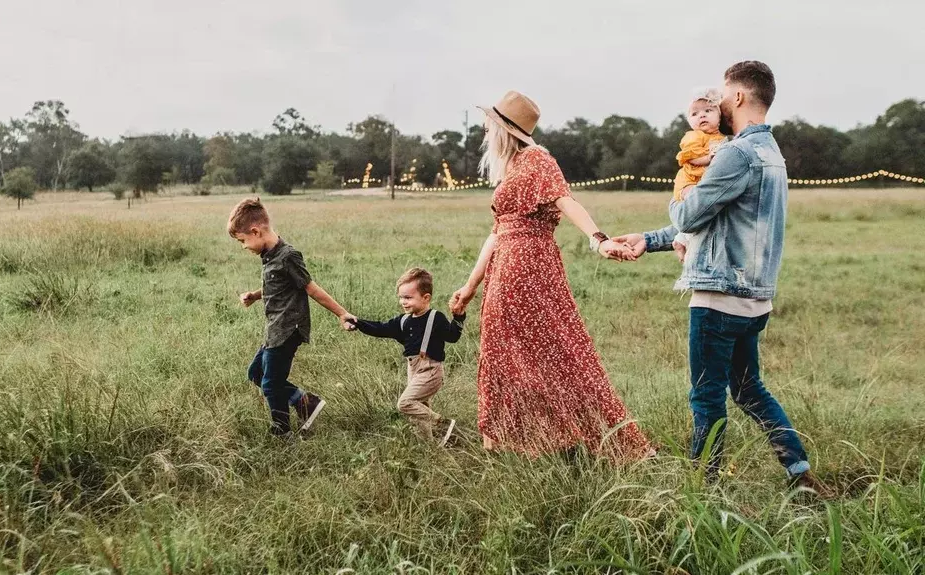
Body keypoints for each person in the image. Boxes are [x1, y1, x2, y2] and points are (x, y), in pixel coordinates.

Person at [613, 61, 828, 493]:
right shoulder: (772, 154)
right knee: (750, 391)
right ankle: (799, 472)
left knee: (706, 396)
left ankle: (703, 488)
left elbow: (690, 213)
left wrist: (681, 195)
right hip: (755, 300)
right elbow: (717, 221)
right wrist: (650, 239)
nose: (717, 104)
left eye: (723, 96)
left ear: (741, 97)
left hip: (718, 298)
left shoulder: (735, 153)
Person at [448, 90, 653, 460]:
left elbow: (566, 200)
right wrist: (469, 286)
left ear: (504, 129)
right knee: (502, 352)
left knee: (557, 352)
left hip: (530, 266)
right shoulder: (510, 168)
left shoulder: (538, 160)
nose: (483, 130)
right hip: (504, 268)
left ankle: (579, 435)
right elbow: (496, 233)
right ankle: (517, 439)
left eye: (488, 124)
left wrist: (598, 239)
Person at [229, 198, 351, 437]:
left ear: (255, 231)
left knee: (270, 383)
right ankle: (305, 402)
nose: (244, 247)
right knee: (256, 374)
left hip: (288, 329)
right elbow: (278, 286)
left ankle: (282, 431)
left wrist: (342, 313)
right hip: (274, 329)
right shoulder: (270, 256)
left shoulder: (288, 256)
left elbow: (311, 288)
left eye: (243, 241)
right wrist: (255, 295)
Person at [344, 268, 463, 445]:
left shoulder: (435, 318)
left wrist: (459, 316)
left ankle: (442, 424)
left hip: (431, 369)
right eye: (401, 297)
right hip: (413, 368)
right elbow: (381, 328)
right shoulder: (404, 320)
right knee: (419, 411)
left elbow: (452, 336)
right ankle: (428, 447)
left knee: (405, 403)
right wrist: (358, 322)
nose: (403, 302)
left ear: (426, 298)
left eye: (408, 298)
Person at [671, 88, 728, 262]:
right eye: (695, 114)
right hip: (690, 179)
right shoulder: (694, 136)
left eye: (708, 111)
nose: (701, 116)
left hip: (703, 180)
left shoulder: (722, 137)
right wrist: (709, 158)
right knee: (695, 204)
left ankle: (681, 240)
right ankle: (684, 241)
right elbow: (691, 158)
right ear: (689, 121)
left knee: (704, 210)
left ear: (719, 117)